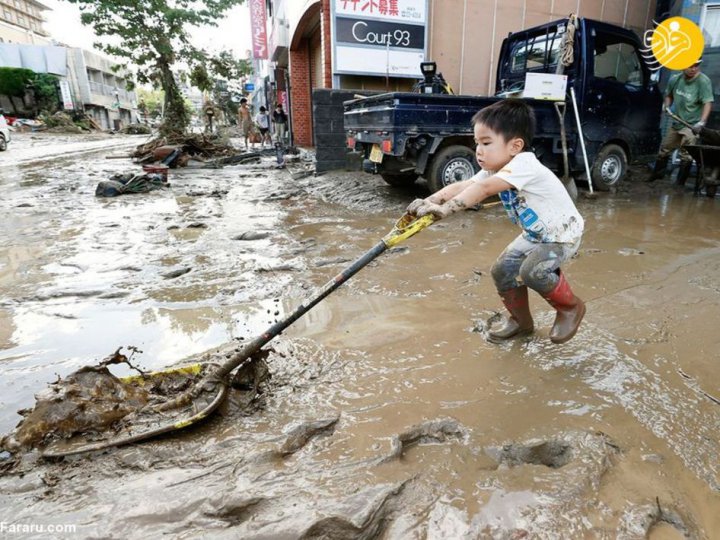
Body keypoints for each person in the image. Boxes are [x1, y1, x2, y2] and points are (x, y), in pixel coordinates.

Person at [408, 99, 586, 344]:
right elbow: (466, 184)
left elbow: (483, 190)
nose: (478, 150)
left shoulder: (525, 165)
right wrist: (430, 201)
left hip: (561, 235)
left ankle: (570, 308)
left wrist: (446, 210)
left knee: (532, 271)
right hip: (535, 234)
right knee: (502, 270)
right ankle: (521, 321)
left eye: (486, 143)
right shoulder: (494, 168)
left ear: (515, 146)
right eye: (477, 143)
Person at [648, 59, 714, 184]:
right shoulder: (675, 79)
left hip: (691, 125)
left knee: (686, 154)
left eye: (696, 66)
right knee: (664, 149)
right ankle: (657, 176)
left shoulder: (703, 82)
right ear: (683, 66)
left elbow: (707, 103)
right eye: (690, 66)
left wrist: (701, 122)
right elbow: (669, 95)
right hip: (677, 122)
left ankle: (680, 183)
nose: (693, 69)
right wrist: (666, 105)